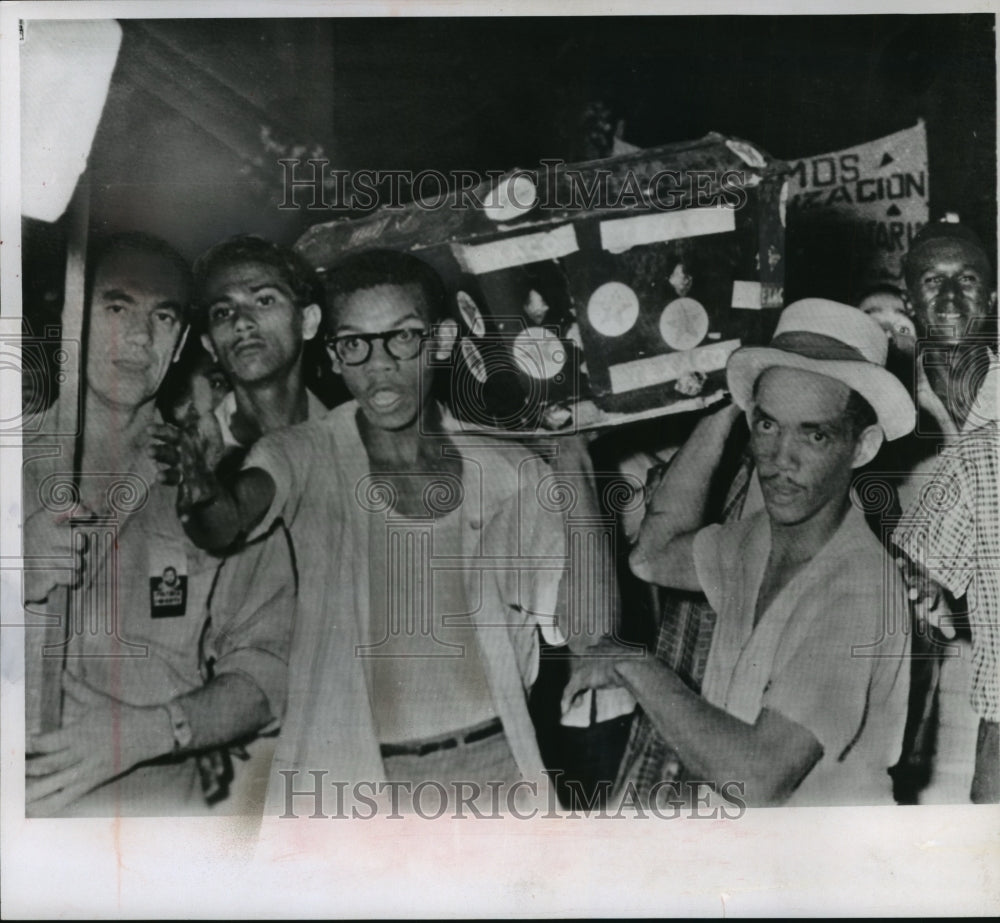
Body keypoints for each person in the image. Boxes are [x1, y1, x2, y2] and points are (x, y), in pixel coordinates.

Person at [169, 248, 607, 814]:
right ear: (336, 351)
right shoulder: (302, 453)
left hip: (498, 772)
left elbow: (588, 627)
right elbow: (227, 520)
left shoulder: (507, 469)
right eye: (355, 343)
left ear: (443, 342)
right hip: (360, 786)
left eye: (403, 337)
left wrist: (573, 461)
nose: (378, 365)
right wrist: (202, 492)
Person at [566, 299, 916, 807]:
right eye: (768, 426)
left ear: (860, 448)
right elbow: (653, 555)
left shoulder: (859, 588)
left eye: (814, 434)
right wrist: (722, 411)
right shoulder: (756, 538)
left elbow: (759, 779)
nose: (779, 461)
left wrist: (634, 666)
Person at [22, 232, 296, 816]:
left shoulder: (218, 492)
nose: (140, 338)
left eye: (162, 317)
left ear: (180, 345)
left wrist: (155, 731)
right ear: (71, 315)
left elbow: (270, 668)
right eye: (117, 308)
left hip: (161, 819)